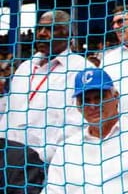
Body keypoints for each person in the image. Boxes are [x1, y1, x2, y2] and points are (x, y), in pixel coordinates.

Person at [0, 10, 89, 164]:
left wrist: (42, 159)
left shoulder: (80, 69)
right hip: (10, 164)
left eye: (49, 29)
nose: (41, 34)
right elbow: (8, 115)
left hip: (50, 165)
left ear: (67, 34)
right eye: (39, 28)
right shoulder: (25, 68)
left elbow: (77, 124)